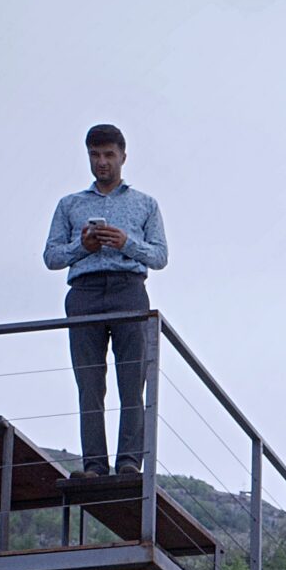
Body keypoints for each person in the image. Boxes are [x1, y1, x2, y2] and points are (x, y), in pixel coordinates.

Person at [43, 124, 168, 476]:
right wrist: (82, 247)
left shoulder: (144, 204)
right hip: (84, 293)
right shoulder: (70, 205)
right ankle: (94, 466)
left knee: (133, 382)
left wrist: (125, 241)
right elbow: (51, 257)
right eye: (95, 155)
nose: (102, 162)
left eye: (109, 155)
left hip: (129, 289)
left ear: (123, 157)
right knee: (89, 384)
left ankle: (129, 462)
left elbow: (159, 256)